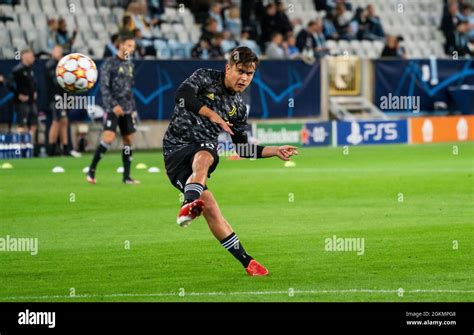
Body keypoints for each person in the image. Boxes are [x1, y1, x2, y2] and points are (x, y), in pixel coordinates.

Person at [162, 46, 298, 276]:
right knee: (207, 151)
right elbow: (182, 96)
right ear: (228, 68)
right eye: (240, 71)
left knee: (213, 210)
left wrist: (274, 150)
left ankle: (248, 262)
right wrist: (212, 114)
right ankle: (189, 203)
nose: (244, 78)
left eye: (250, 74)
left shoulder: (238, 108)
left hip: (200, 158)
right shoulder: (204, 77)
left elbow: (242, 149)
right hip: (174, 150)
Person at [87, 36, 139, 185]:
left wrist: (133, 109)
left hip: (127, 109)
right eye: (129, 45)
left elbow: (130, 89)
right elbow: (104, 87)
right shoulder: (109, 63)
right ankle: (91, 171)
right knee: (108, 138)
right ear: (121, 45)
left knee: (128, 140)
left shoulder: (130, 65)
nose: (132, 49)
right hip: (112, 108)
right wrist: (113, 105)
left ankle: (127, 177)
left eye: (133, 46)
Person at [7, 49, 38, 155]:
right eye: (31, 56)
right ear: (24, 57)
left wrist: (34, 92)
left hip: (31, 102)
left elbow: (33, 83)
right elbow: (9, 83)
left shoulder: (31, 70)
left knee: (33, 124)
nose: (33, 58)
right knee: (22, 124)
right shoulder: (17, 70)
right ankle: (20, 148)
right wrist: (18, 94)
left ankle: (30, 147)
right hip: (21, 103)